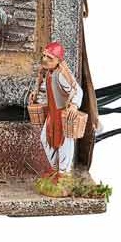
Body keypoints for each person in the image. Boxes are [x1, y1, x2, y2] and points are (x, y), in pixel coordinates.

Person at [31, 41, 83, 178]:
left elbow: (78, 91)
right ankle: (55, 168)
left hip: (63, 115)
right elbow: (47, 91)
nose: (45, 59)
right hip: (52, 113)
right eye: (44, 56)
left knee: (65, 143)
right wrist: (36, 95)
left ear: (58, 60)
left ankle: (63, 173)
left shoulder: (61, 74)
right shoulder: (48, 72)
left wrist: (74, 105)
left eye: (49, 58)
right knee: (45, 139)